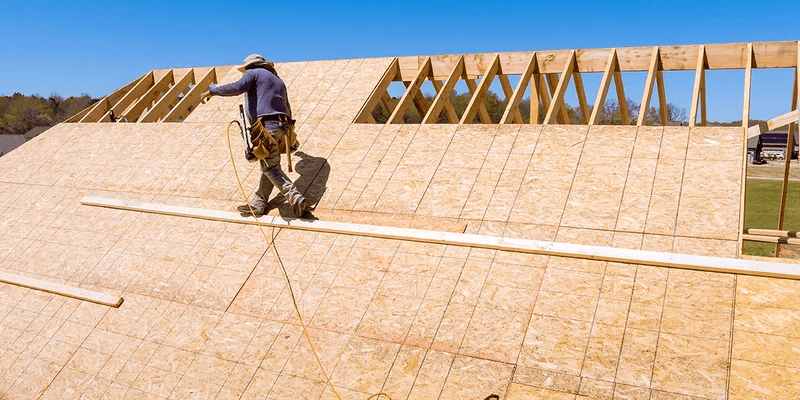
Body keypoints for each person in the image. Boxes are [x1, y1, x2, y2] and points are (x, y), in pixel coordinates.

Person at [201, 54, 308, 217]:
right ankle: (258, 204)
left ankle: (296, 198)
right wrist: (290, 135)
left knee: (270, 168)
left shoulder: (253, 73)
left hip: (266, 129)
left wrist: (212, 91)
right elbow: (288, 107)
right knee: (268, 166)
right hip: (282, 128)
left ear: (251, 66)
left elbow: (237, 87)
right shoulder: (278, 80)